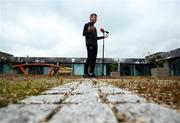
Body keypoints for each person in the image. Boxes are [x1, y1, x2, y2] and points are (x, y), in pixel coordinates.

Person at [82, 13, 109, 78]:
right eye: (94, 17)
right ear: (90, 18)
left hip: (95, 45)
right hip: (89, 44)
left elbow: (95, 38)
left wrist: (103, 37)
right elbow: (83, 34)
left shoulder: (95, 28)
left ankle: (91, 73)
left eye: (96, 18)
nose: (95, 19)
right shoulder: (86, 25)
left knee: (94, 59)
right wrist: (88, 31)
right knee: (89, 58)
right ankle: (85, 73)